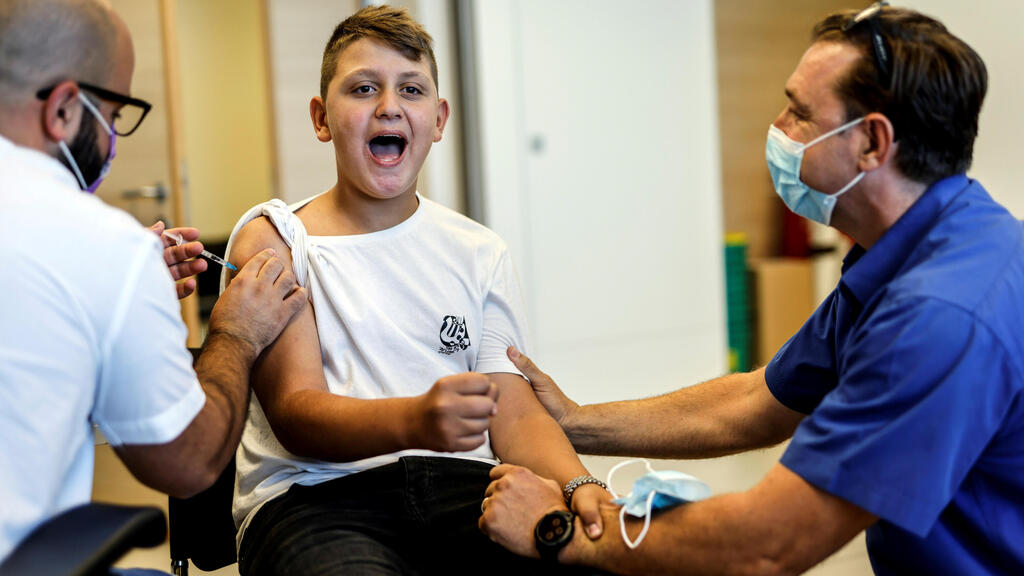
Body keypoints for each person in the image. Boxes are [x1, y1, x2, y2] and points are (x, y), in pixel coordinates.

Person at [479, 4, 1023, 575]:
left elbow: (767, 546)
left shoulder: (939, 315)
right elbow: (756, 404)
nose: (779, 127)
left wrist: (559, 532)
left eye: (800, 112)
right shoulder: (926, 246)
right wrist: (573, 420)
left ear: (871, 144)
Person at [222, 5, 610, 575]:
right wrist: (417, 420)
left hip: (463, 490)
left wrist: (578, 483)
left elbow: (511, 407)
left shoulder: (479, 250)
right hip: (316, 501)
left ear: (438, 118)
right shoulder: (277, 237)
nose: (389, 107)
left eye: (411, 89)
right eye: (362, 88)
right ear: (321, 117)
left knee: (589, 559)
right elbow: (296, 414)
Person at [0, 0, 306, 565]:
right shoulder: (99, 244)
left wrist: (118, 295)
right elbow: (188, 463)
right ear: (65, 108)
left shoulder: (100, 252)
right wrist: (237, 333)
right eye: (113, 117)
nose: (113, 141)